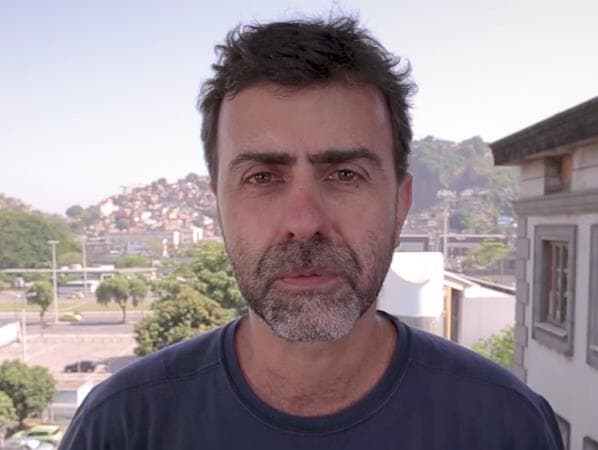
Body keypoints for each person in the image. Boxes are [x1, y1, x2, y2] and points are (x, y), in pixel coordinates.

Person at [59, 17, 564, 450]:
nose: (304, 222)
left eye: (344, 175)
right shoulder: (122, 427)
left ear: (401, 204)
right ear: (218, 206)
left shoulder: (506, 426)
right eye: (262, 177)